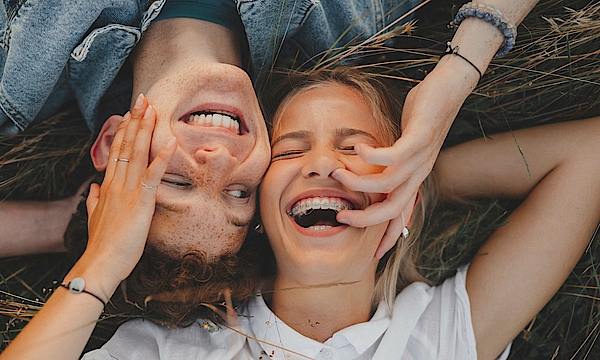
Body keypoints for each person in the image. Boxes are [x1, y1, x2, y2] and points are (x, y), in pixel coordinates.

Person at [57, 67, 597, 360]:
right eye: (290, 151)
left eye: (356, 150)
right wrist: (99, 269)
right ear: (259, 210)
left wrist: (416, 183)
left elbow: (589, 155)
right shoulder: (173, 350)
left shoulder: (441, 335)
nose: (321, 165)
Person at [0, 0, 543, 257]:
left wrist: (68, 224)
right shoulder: (352, 25)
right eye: (240, 193)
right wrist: (455, 77)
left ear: (115, 142)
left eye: (175, 183)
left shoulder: (20, 69)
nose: (218, 164)